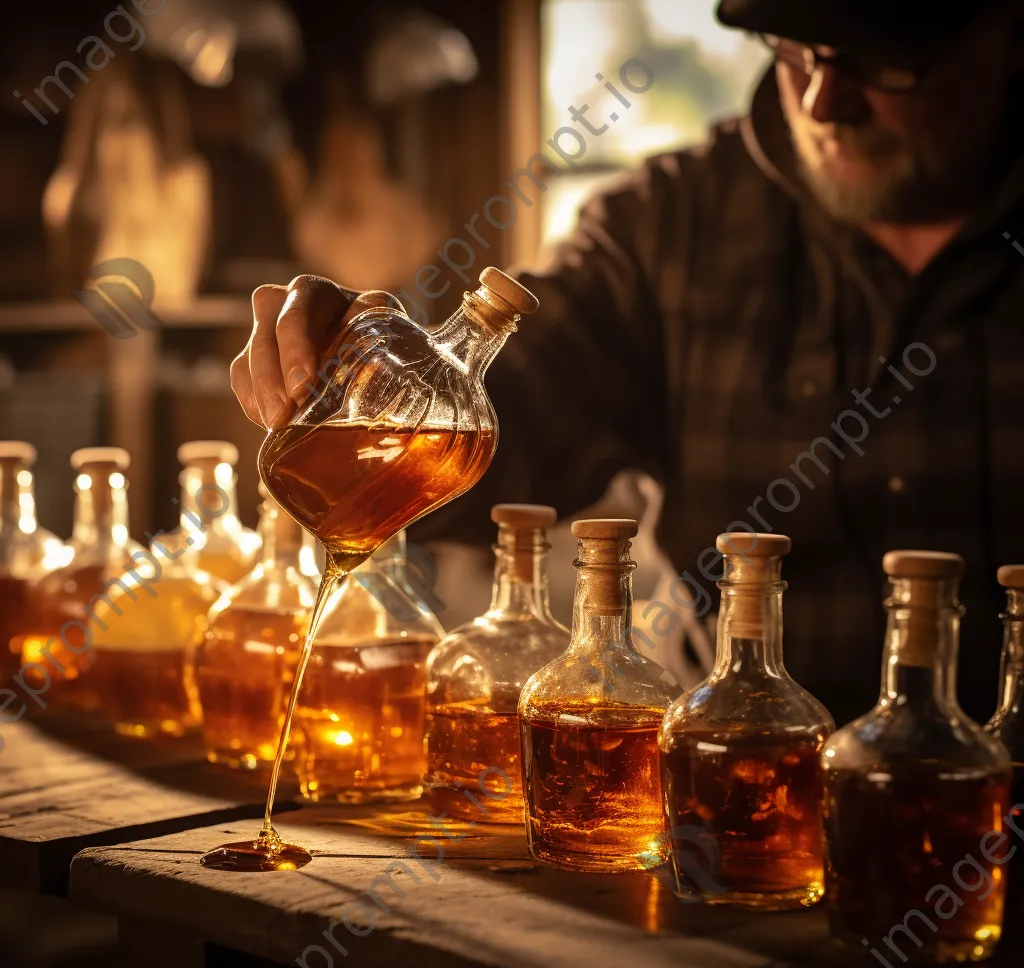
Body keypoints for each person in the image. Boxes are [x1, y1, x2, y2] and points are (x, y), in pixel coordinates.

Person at [229, 0, 1024, 727]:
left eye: (879, 60)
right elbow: (521, 419)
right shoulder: (668, 224)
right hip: (727, 788)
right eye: (794, 49)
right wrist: (363, 370)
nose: (824, 101)